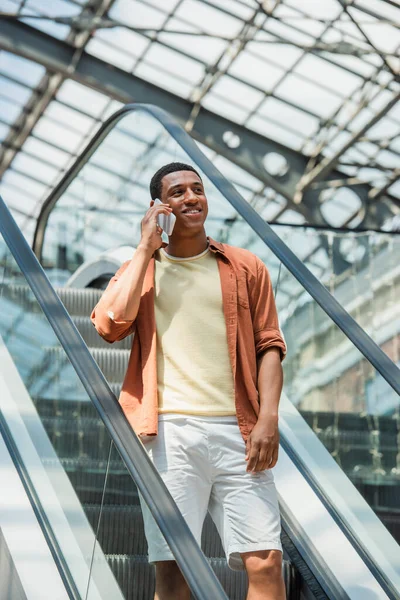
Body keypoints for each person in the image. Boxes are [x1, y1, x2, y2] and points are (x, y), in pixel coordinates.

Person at [91, 162, 287, 600]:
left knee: (267, 563)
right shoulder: (142, 269)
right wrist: (145, 249)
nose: (191, 197)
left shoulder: (245, 266)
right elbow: (108, 325)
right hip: (168, 435)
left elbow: (270, 345)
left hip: (240, 431)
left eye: (197, 189)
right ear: (158, 206)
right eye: (177, 192)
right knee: (175, 571)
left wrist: (267, 419)